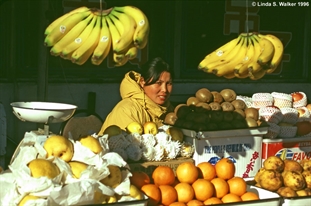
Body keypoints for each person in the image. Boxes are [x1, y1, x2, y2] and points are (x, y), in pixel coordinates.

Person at [98, 57, 175, 134]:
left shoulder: (169, 110)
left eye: (169, 83)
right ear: (142, 82)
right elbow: (124, 144)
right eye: (158, 83)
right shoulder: (127, 110)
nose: (164, 89)